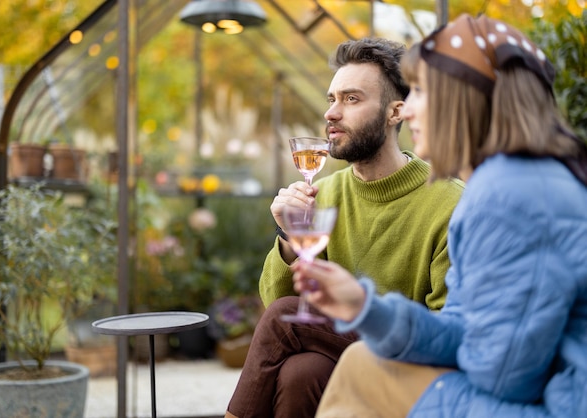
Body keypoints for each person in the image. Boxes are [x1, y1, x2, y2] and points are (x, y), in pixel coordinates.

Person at [292, 14, 587, 417]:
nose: (408, 110)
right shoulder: (504, 183)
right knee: (360, 362)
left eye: (422, 91)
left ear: (462, 100)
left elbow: (503, 377)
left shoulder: (511, 196)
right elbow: (465, 327)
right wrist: (366, 307)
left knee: (365, 372)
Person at [224, 38, 465, 418]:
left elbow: (446, 328)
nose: (332, 113)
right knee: (302, 373)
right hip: (337, 358)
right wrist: (289, 237)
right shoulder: (324, 193)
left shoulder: (450, 203)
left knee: (287, 318)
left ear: (395, 112)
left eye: (351, 99)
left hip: (412, 367)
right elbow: (277, 302)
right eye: (331, 99)